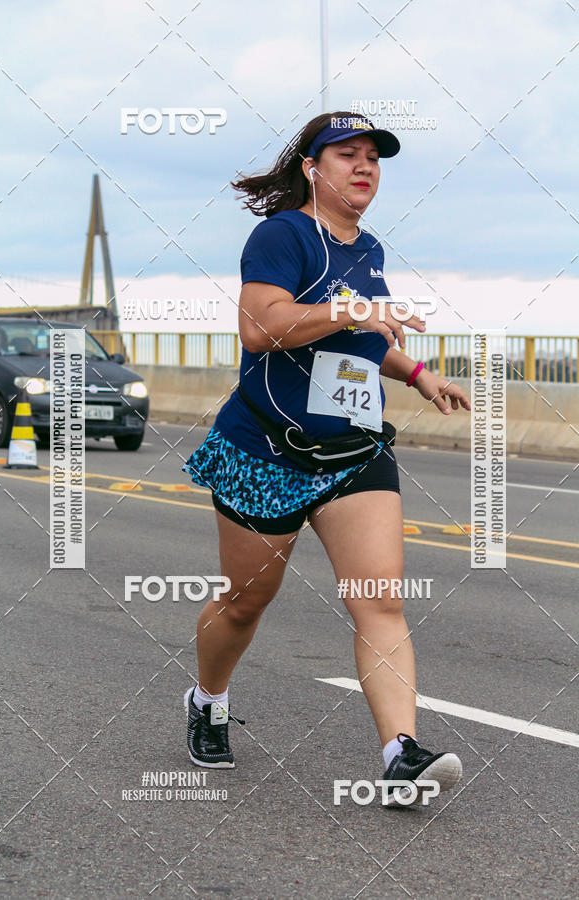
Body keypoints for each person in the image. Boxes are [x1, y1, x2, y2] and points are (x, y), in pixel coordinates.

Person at [182, 111, 471, 806]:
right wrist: (347, 310)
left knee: (380, 600)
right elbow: (261, 328)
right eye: (347, 154)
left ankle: (400, 756)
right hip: (267, 449)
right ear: (313, 168)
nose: (364, 165)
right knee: (247, 603)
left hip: (351, 450)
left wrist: (417, 373)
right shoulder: (281, 235)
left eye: (373, 156)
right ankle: (208, 698)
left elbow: (364, 339)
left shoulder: (367, 247)